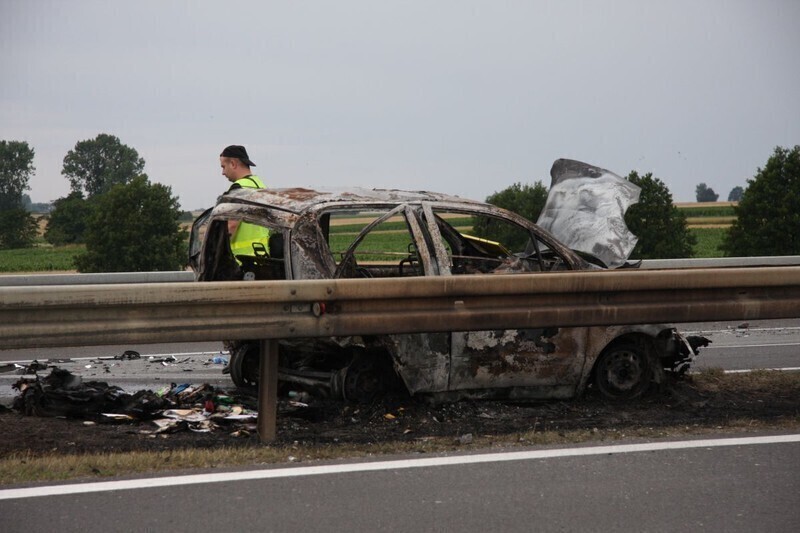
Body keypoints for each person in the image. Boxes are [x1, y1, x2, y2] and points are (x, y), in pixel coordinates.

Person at [219, 145, 269, 260]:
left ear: (233, 163)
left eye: (223, 167)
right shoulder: (261, 186)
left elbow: (231, 226)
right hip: (265, 259)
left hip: (243, 262)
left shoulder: (238, 189)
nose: (223, 172)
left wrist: (216, 250)